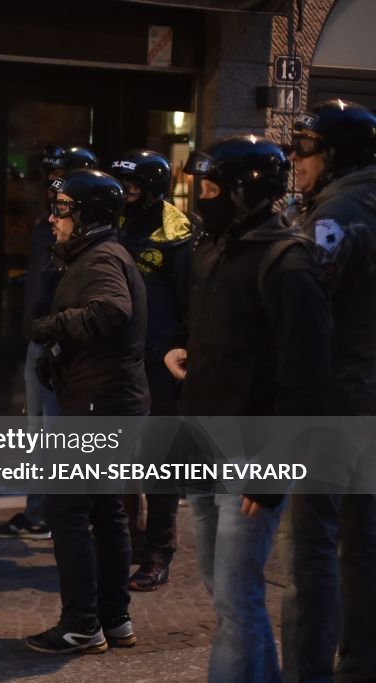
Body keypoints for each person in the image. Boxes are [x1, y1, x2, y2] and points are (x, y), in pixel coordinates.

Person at [168, 136, 331, 683]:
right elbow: (222, 332)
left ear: (245, 192)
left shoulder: (288, 263)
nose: (201, 199)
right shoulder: (214, 249)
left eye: (211, 189)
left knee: (238, 600)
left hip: (250, 457)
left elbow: (306, 378)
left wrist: (271, 471)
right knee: (223, 594)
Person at [24, 169, 149, 654]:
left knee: (68, 509)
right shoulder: (101, 254)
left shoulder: (100, 259)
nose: (54, 219)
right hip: (111, 400)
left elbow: (112, 311)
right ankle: (113, 619)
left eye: (62, 210)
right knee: (105, 509)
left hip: (99, 406)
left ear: (89, 216)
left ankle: (81, 624)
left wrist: (55, 327)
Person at [280, 99, 376, 683]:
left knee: (310, 554)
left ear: (337, 153)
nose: (295, 156)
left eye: (306, 146)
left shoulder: (341, 208)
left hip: (337, 402)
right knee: (363, 545)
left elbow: (300, 298)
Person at [0, 145, 97, 541]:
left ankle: (58, 516)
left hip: (61, 343)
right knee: (40, 432)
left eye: (59, 175)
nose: (51, 185)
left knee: (57, 434)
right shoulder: (47, 221)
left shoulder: (86, 230)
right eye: (49, 175)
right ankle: (40, 513)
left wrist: (53, 334)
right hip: (40, 336)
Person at [110, 149, 193, 591]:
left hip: (159, 362)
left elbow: (190, 301)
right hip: (121, 359)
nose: (126, 195)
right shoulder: (113, 223)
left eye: (134, 188)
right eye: (122, 187)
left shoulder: (178, 234)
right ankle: (127, 539)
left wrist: (179, 347)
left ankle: (159, 551)